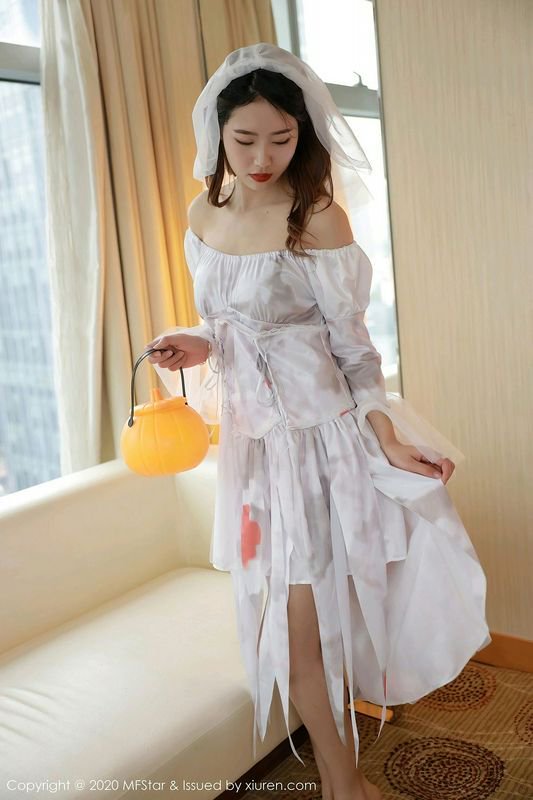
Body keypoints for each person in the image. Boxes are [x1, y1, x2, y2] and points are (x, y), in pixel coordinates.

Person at [145, 44, 490, 800]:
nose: (261, 158)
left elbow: (354, 352)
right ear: (217, 135)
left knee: (303, 629)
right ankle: (346, 783)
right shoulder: (202, 215)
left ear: (302, 134)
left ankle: (343, 782)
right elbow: (230, 325)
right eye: (244, 140)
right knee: (282, 625)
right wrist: (194, 341)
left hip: (322, 452)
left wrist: (388, 437)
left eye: (281, 139)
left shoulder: (318, 219)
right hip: (253, 459)